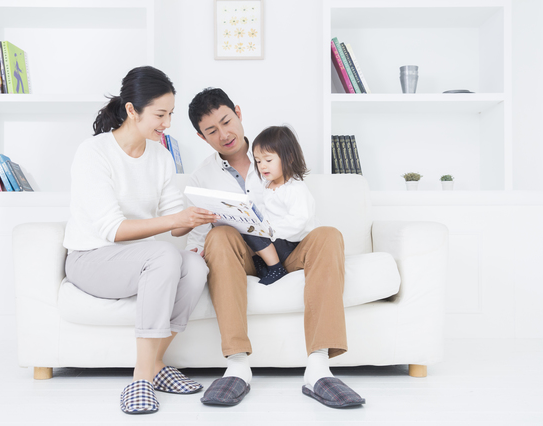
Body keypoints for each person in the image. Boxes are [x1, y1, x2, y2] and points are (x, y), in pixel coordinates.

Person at [186, 88, 365, 408]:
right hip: (244, 257)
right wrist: (194, 253)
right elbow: (198, 233)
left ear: (239, 113)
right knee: (218, 236)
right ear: (202, 137)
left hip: (289, 248)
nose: (223, 134)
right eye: (211, 130)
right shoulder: (203, 175)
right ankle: (237, 367)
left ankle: (319, 369)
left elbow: (299, 207)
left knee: (328, 234)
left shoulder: (273, 151)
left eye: (227, 121)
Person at [63, 66, 217, 415]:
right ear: (132, 110)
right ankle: (141, 379)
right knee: (164, 256)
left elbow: (176, 222)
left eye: (170, 114)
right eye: (160, 114)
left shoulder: (161, 157)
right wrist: (175, 221)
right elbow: (113, 230)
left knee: (193, 265)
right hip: (91, 259)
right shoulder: (94, 153)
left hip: (138, 260)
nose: (167, 123)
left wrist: (203, 212)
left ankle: (157, 364)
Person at [242, 125, 317, 285]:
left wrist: (269, 230)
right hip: (276, 239)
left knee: (254, 234)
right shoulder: (267, 186)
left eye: (268, 160)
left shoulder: (294, 187)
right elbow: (266, 212)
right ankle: (263, 264)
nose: (262, 166)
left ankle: (276, 267)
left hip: (291, 242)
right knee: (246, 231)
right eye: (258, 161)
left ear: (289, 158)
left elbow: (300, 219)